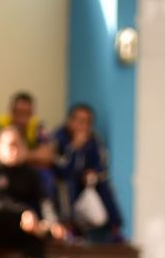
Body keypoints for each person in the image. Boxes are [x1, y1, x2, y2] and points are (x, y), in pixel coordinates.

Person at [0, 127, 62, 253]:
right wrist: (22, 213)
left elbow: (44, 200)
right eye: (10, 145)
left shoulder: (31, 173)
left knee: (39, 236)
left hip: (25, 229)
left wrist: (52, 222)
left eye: (18, 145)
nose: (14, 150)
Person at [47, 103, 123, 243]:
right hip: (64, 182)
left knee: (104, 184)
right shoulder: (59, 137)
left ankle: (115, 230)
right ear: (70, 121)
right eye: (80, 121)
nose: (84, 126)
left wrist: (93, 174)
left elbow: (102, 165)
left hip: (86, 184)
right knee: (66, 184)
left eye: (88, 122)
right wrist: (74, 148)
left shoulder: (94, 139)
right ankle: (69, 228)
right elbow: (59, 167)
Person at [0, 90, 51, 166]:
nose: (22, 119)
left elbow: (46, 157)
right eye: (18, 112)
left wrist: (20, 156)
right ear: (11, 111)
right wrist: (31, 156)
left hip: (27, 169)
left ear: (32, 113)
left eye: (26, 113)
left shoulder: (39, 126)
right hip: (1, 169)